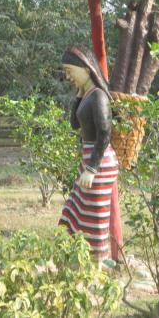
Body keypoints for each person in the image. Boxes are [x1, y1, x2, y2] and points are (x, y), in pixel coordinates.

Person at [58, 46, 119, 263]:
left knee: (94, 221)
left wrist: (92, 169)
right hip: (90, 162)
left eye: (69, 71)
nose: (68, 77)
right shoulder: (88, 96)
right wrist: (78, 96)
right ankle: (80, 259)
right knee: (72, 211)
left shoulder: (99, 97)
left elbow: (104, 133)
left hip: (99, 165)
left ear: (85, 68)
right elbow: (75, 124)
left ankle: (96, 265)